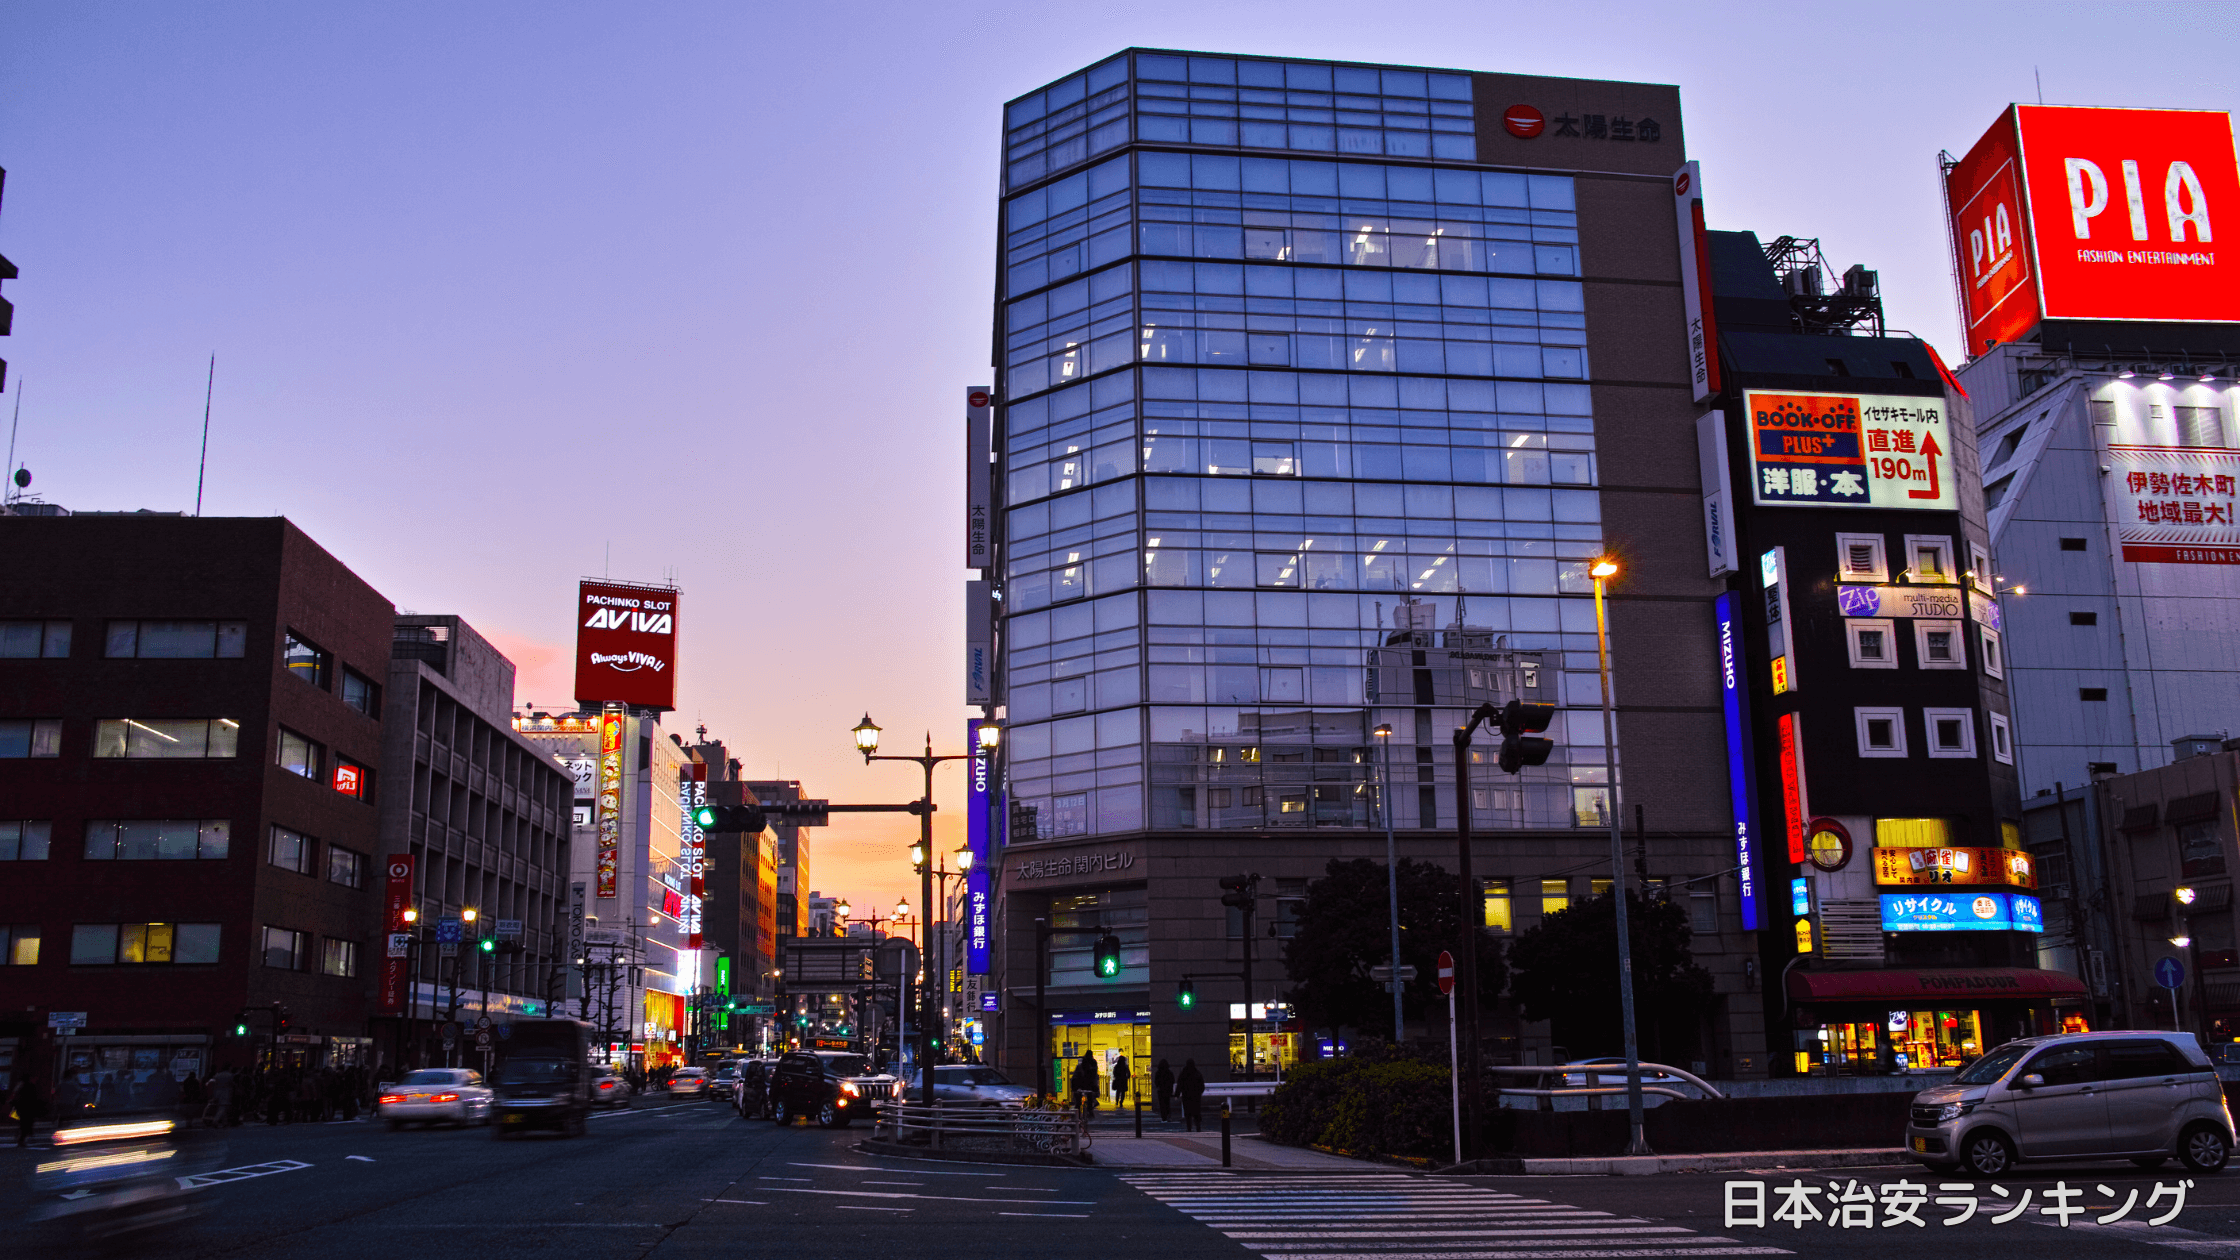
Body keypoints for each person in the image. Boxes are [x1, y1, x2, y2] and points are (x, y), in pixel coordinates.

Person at [9, 1074, 47, 1147]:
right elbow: (34, 1097)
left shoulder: (20, 1086)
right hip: (27, 1107)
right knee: (26, 1123)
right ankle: (23, 1138)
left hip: (21, 1107)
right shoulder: (30, 1086)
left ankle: (22, 1136)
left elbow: (14, 1096)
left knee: (23, 1123)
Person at [1177, 1058, 1206, 1132]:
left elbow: (1179, 1084)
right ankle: (1198, 1127)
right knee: (1196, 1112)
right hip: (1196, 1096)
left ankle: (1189, 1127)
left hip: (1186, 1095)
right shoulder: (1197, 1073)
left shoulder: (1183, 1073)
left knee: (1188, 1112)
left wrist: (1177, 1094)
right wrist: (1199, 1092)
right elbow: (1202, 1086)